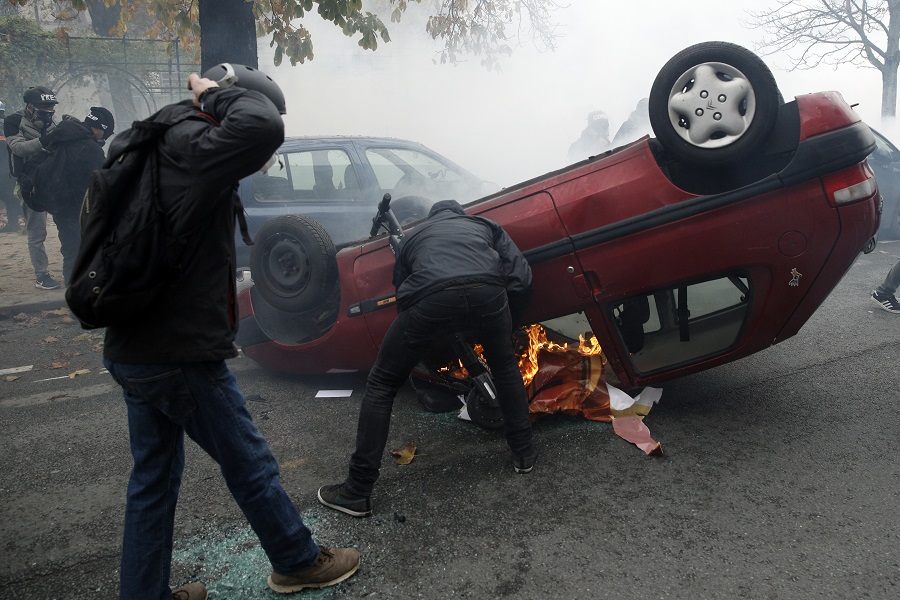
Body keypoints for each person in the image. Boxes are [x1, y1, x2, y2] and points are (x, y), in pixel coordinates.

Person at [102, 67, 360, 600]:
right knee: (249, 461)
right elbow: (261, 125)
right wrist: (218, 94)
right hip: (178, 352)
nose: (273, 148)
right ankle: (297, 560)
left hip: (134, 344)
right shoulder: (195, 148)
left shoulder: (161, 150)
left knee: (153, 480)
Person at [318, 199, 538, 519]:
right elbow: (520, 276)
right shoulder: (485, 226)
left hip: (430, 298)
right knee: (504, 366)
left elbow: (403, 291)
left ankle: (357, 491)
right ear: (460, 215)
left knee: (381, 383)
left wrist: (422, 334)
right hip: (488, 292)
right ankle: (524, 454)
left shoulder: (414, 237)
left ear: (432, 218)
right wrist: (507, 324)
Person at [31, 107, 113, 285]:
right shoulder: (91, 149)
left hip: (59, 205)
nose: (104, 140)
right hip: (79, 209)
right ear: (99, 128)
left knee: (70, 250)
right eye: (105, 135)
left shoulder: (60, 136)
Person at [4, 86, 61, 289]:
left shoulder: (52, 121)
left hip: (54, 180)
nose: (47, 112)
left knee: (66, 224)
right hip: (29, 184)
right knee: (37, 232)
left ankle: (72, 266)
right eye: (42, 107)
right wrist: (45, 141)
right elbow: (18, 147)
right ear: (29, 106)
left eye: (50, 107)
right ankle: (41, 275)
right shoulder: (13, 121)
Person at [1, 99, 23, 232]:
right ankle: (13, 223)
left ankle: (25, 214)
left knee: (5, 194)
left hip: (3, 168)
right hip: (11, 166)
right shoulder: (8, 124)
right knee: (6, 194)